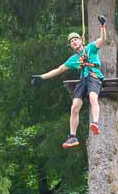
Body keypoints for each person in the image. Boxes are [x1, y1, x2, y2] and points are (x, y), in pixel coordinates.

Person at [31, 15, 107, 149]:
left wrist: (102, 26)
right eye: (72, 41)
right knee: (74, 107)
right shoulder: (73, 59)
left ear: (81, 40)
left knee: (93, 97)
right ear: (71, 46)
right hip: (83, 80)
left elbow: (102, 40)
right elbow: (58, 69)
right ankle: (72, 136)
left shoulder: (90, 48)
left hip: (93, 76)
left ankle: (95, 122)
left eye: (76, 39)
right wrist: (41, 77)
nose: (74, 42)